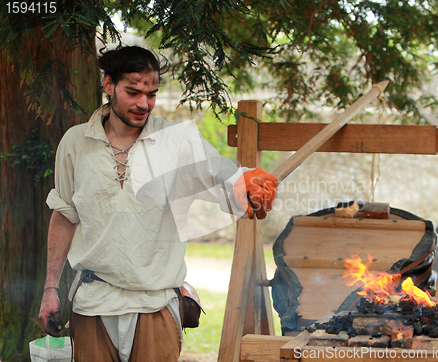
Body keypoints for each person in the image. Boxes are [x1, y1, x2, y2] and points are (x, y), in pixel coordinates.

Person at [38, 45, 278, 362]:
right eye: (133, 92)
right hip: (93, 302)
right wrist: (50, 289)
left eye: (151, 94)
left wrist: (247, 184)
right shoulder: (75, 143)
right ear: (108, 85)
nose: (143, 104)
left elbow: (223, 176)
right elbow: (65, 216)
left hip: (155, 304)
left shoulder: (177, 142)